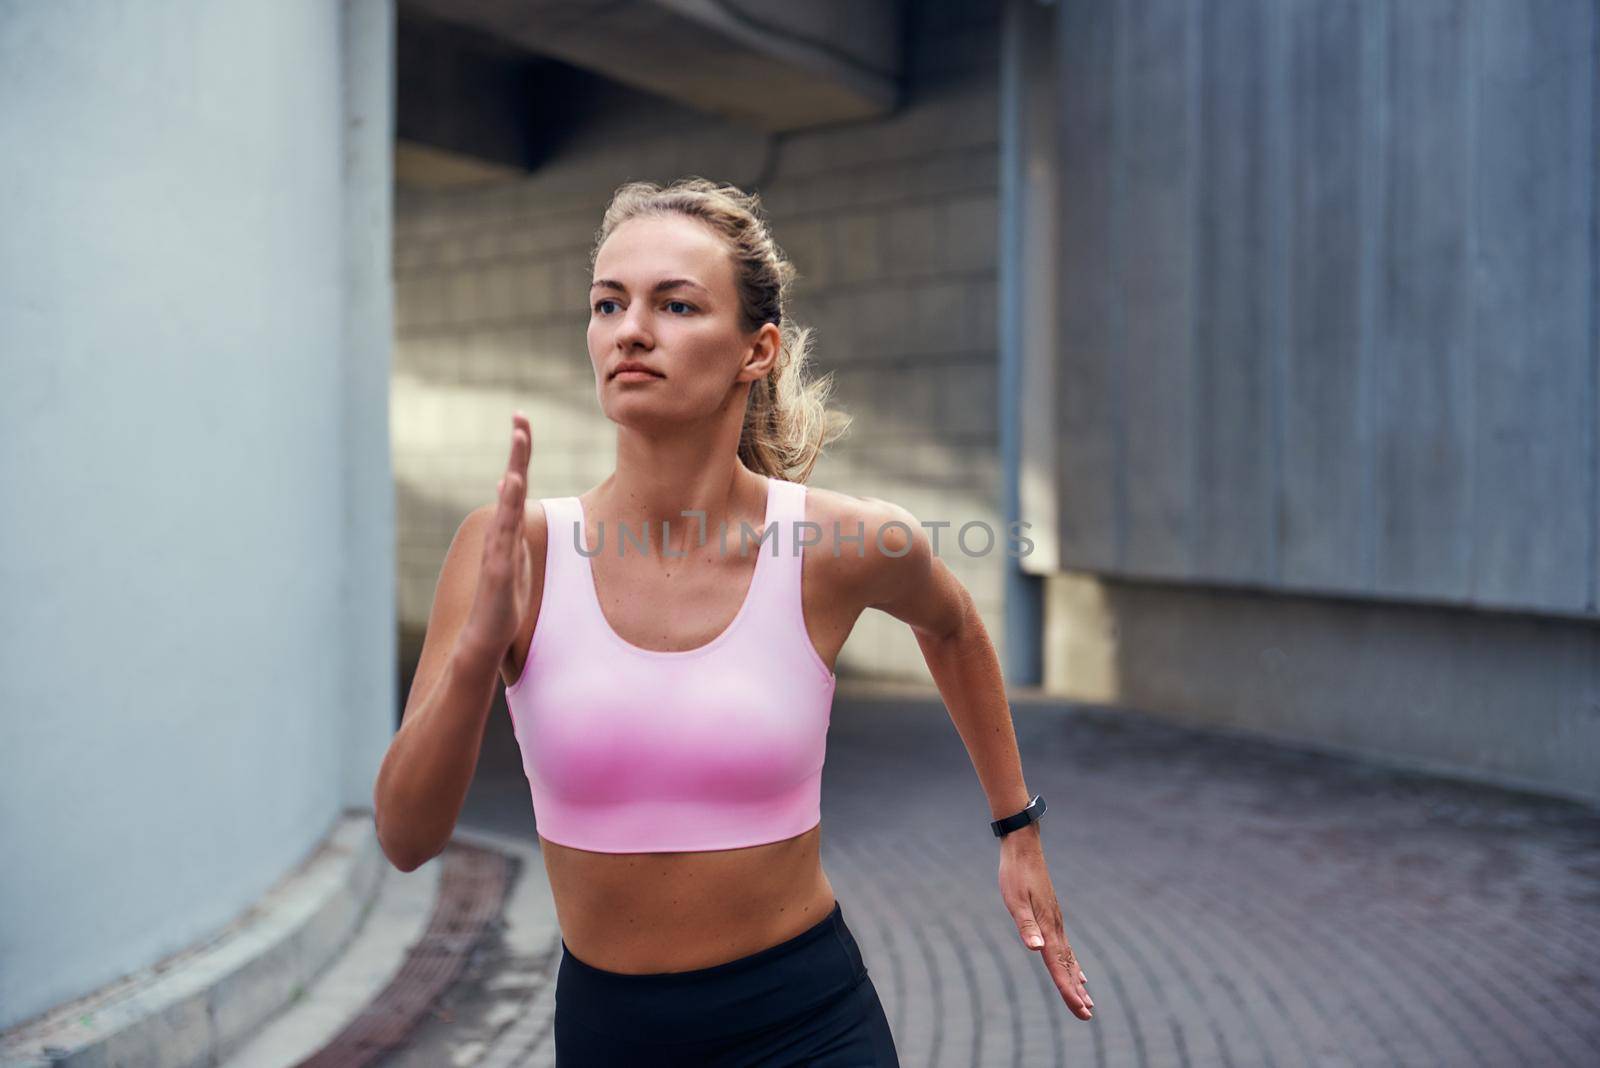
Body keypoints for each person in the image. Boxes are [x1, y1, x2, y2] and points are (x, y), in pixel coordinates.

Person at [373, 177, 1093, 1065]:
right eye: (609, 303)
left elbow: (952, 627)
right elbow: (406, 840)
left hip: (809, 1026)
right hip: (611, 1036)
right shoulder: (513, 549)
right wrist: (479, 654)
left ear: (757, 352)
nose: (631, 329)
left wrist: (1015, 829)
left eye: (675, 304)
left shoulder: (841, 542)